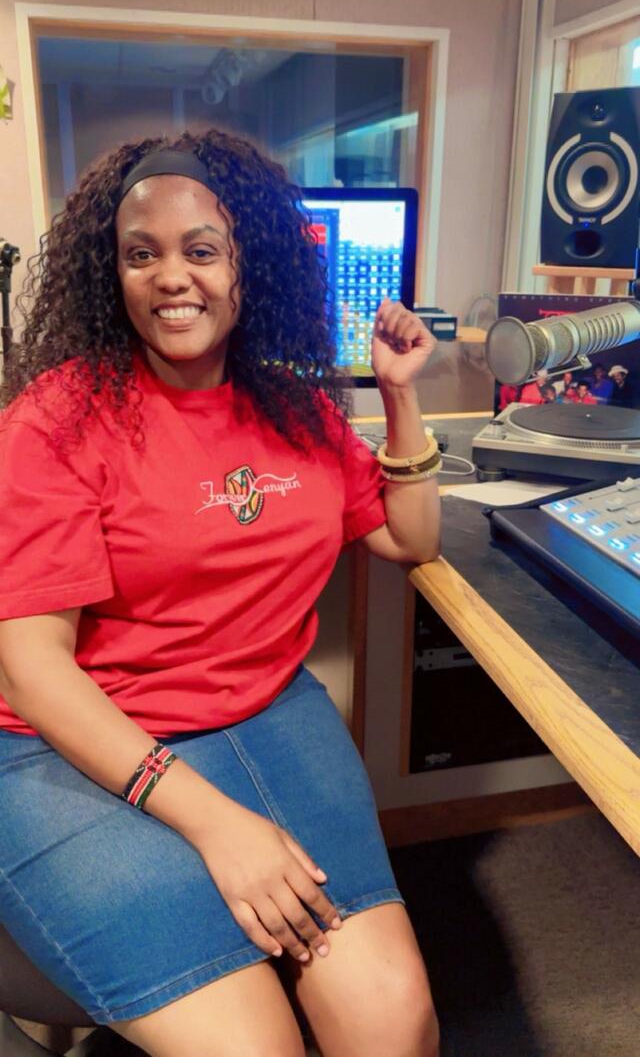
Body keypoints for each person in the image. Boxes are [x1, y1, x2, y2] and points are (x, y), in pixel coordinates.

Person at [0, 131, 441, 1057]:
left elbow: (409, 537)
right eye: (141, 254)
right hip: (70, 735)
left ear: (252, 263)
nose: (172, 277)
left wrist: (402, 396)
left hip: (265, 709)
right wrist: (217, 823)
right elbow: (34, 671)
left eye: (201, 249)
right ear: (109, 272)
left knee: (392, 1023)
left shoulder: (295, 405)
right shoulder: (55, 420)